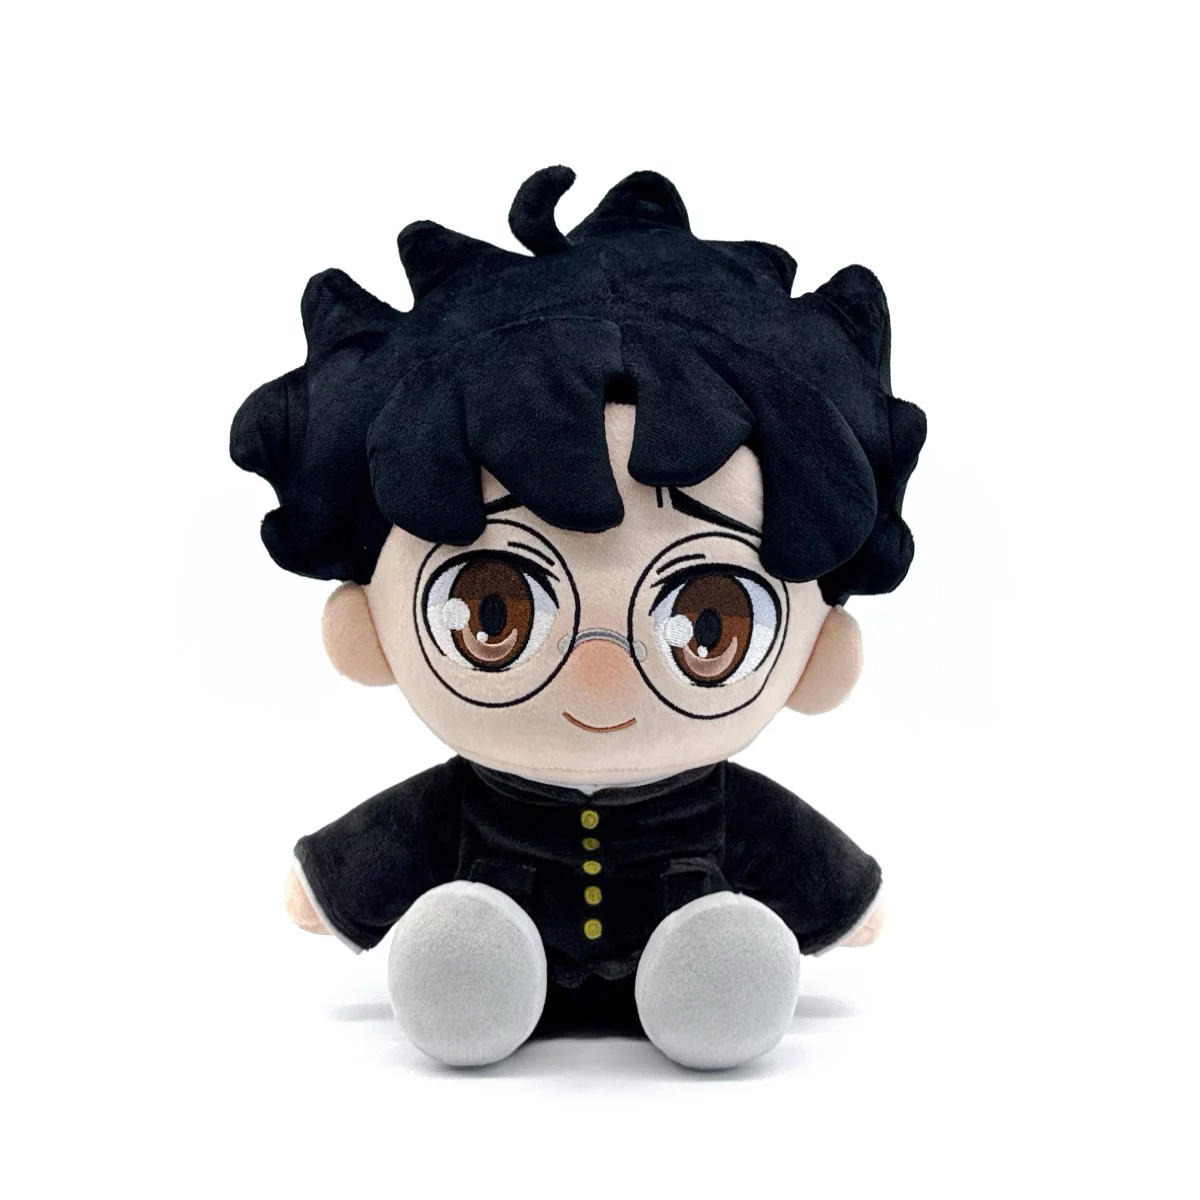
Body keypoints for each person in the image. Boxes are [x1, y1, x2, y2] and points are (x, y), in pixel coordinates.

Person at [231, 166, 925, 1069]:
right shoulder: (464, 806)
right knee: (462, 943)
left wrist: (846, 902)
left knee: (724, 953)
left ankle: (711, 977)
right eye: (496, 612)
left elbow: (807, 867)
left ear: (815, 657)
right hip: (489, 940)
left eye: (707, 622)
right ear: (371, 635)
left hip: (695, 946)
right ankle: (474, 969)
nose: (601, 672)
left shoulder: (723, 809)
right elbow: (385, 853)